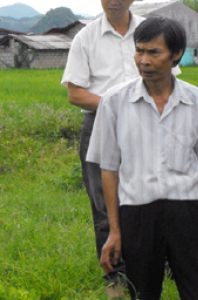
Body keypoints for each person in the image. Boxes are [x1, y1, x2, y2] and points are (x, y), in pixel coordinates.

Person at [87, 17, 198, 300]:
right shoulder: (114, 102)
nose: (143, 60)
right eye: (139, 51)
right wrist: (115, 231)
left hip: (187, 214)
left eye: (154, 52)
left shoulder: (197, 101)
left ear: (176, 55)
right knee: (143, 293)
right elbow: (108, 169)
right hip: (137, 215)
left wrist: (183, 211)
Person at [61, 0, 145, 296]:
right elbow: (75, 93)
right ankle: (116, 275)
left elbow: (169, 79)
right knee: (103, 201)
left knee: (151, 192)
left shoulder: (148, 30)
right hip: (99, 125)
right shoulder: (86, 37)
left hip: (149, 122)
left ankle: (155, 262)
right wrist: (119, 105)